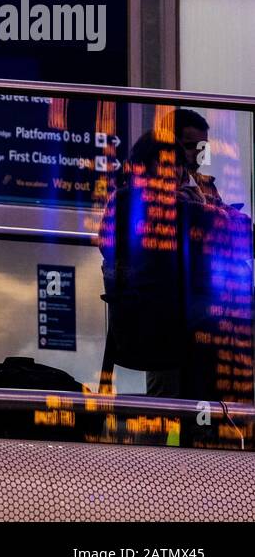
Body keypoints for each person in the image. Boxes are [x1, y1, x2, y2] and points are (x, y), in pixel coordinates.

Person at [100, 126, 252, 404]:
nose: (177, 171)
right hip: (168, 326)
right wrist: (208, 206)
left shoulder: (122, 201)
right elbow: (242, 232)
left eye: (179, 164)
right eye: (168, 163)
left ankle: (179, 429)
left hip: (141, 323)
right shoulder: (171, 205)